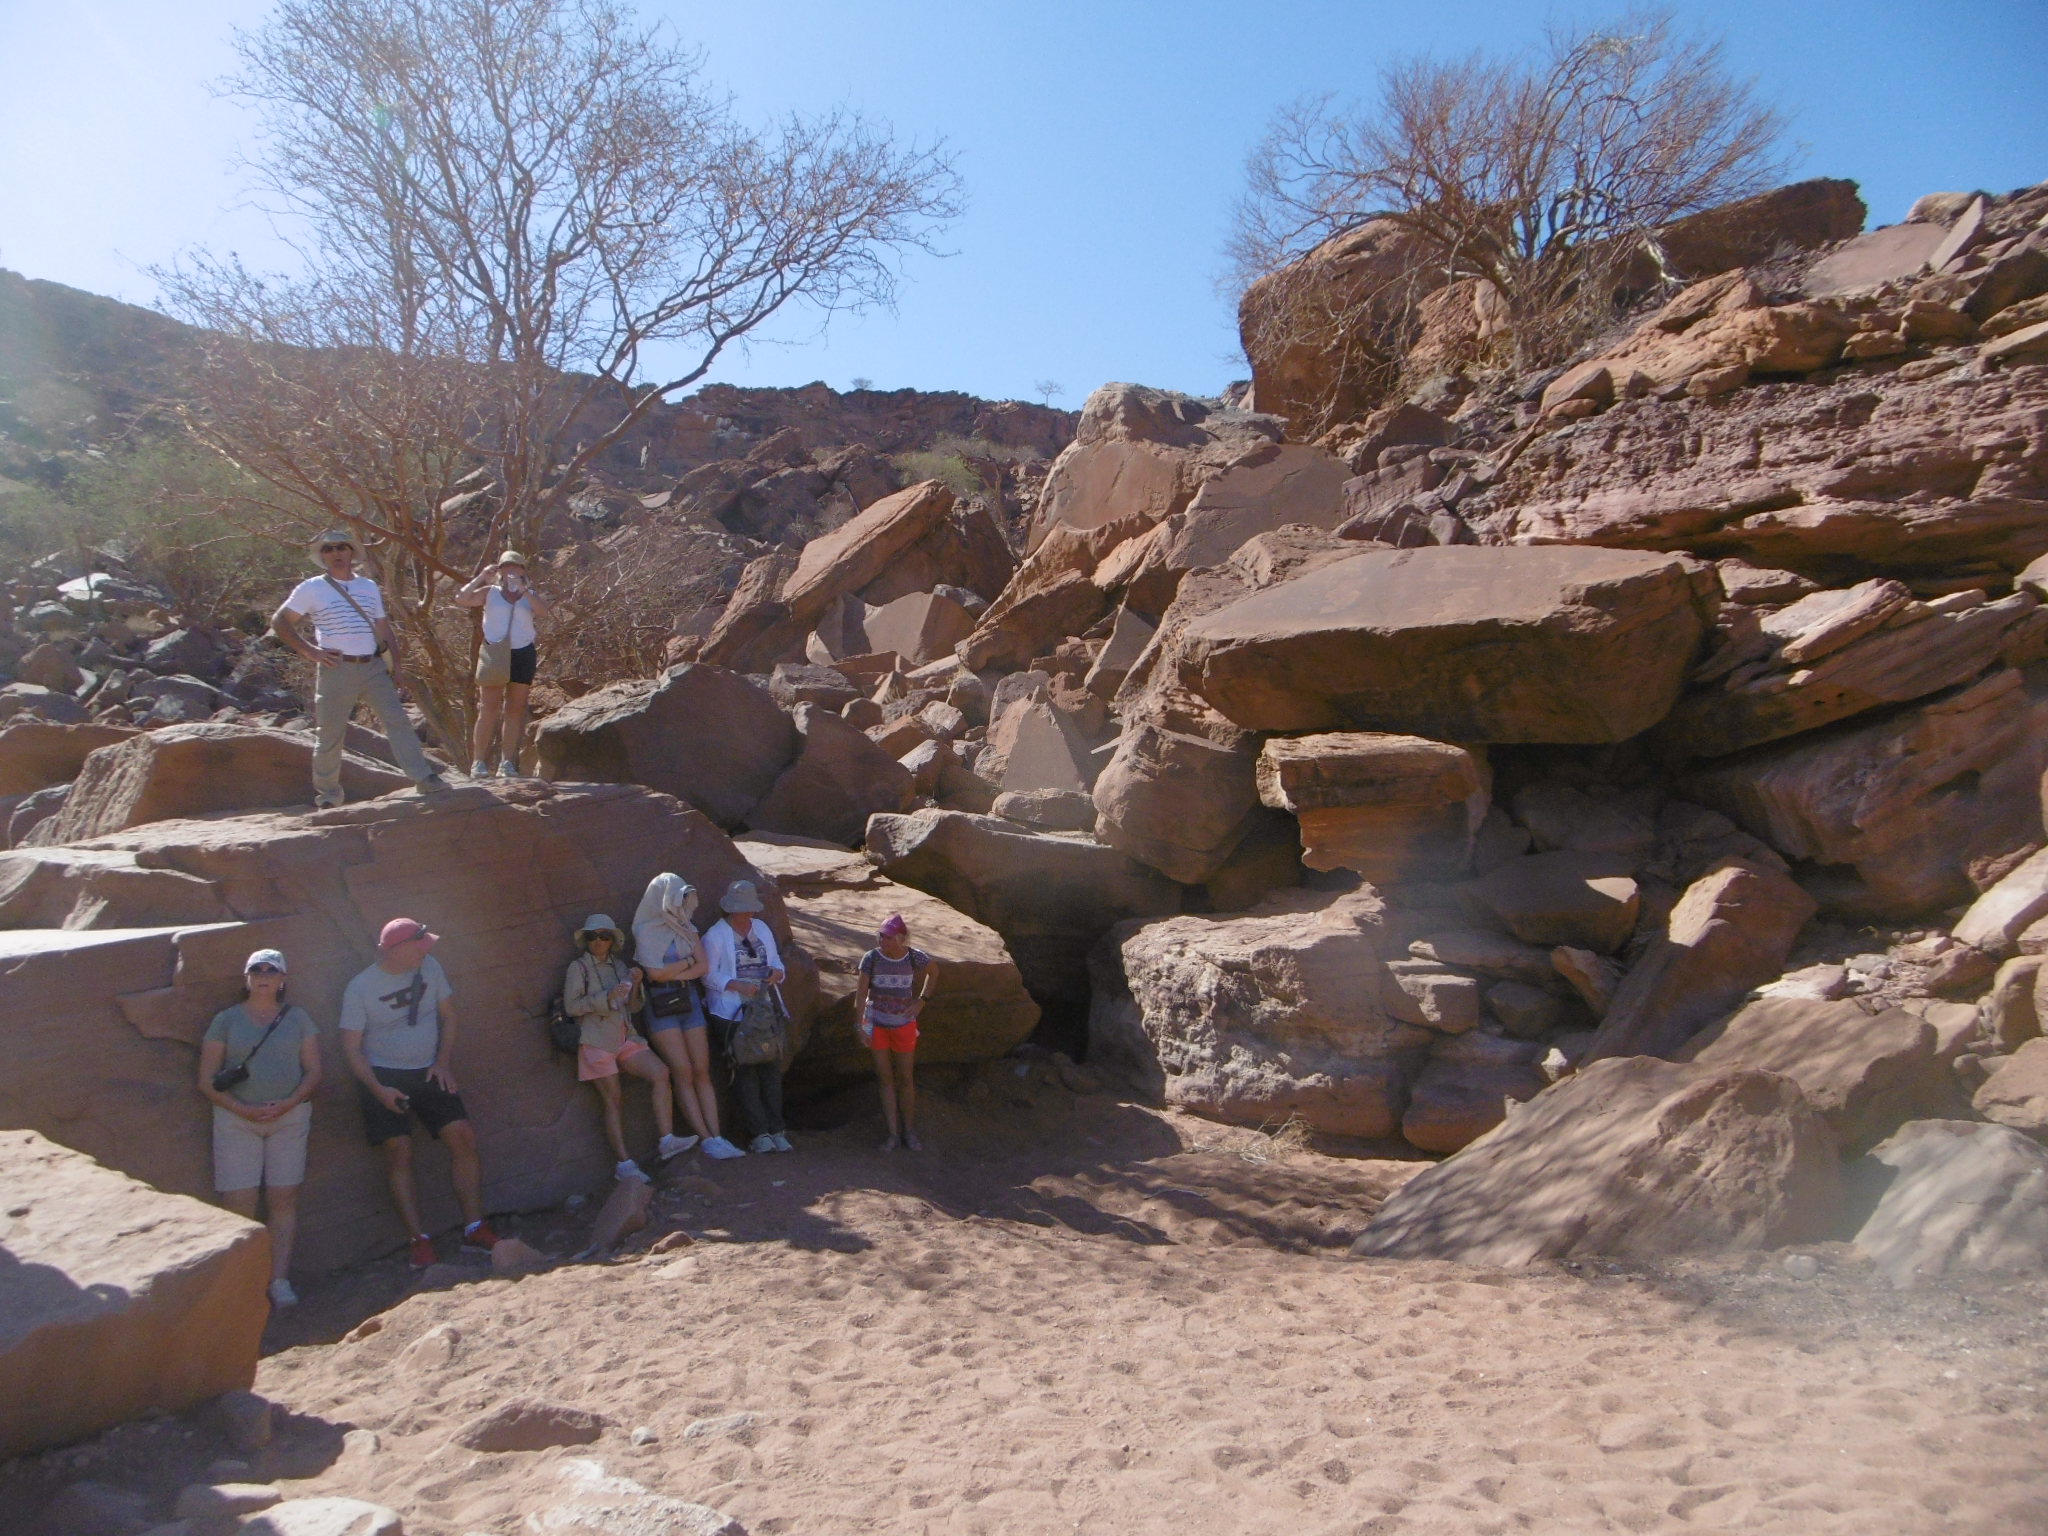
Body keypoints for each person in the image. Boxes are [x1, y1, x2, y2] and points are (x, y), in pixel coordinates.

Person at [339, 916, 499, 1267]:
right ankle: (418, 1240)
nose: (425, 952)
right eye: (418, 947)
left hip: (428, 1068)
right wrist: (378, 1089)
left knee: (462, 1136)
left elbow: (449, 1015)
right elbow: (351, 1047)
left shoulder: (431, 967)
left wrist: (443, 1062)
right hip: (383, 1074)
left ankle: (475, 1226)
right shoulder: (360, 987)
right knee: (398, 1150)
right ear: (396, 950)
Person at [272, 530, 451, 809]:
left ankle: (424, 778)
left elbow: (383, 628)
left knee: (397, 721)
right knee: (330, 734)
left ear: (351, 552)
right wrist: (311, 651)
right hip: (336, 669)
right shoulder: (311, 588)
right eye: (329, 549)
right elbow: (280, 621)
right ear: (322, 556)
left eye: (341, 547)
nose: (336, 553)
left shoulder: (368, 587)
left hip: (373, 666)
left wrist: (396, 666)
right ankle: (328, 796)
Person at [197, 948, 323, 1307]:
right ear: (247, 977)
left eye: (271, 971)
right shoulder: (226, 1020)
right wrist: (242, 1109)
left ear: (282, 979)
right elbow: (206, 1080)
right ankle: (241, 1283)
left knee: (283, 1197)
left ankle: (278, 1279)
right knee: (239, 1201)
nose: (263, 976)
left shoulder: (298, 1018)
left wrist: (289, 1103)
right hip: (237, 1119)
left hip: (288, 1118)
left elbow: (314, 1070)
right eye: (257, 970)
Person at [566, 913, 694, 1182]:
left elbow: (634, 1007)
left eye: (604, 936)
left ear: (612, 940)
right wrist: (606, 997)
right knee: (613, 1100)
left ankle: (667, 1140)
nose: (598, 941)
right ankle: (624, 1164)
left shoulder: (620, 966)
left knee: (661, 1073)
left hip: (625, 1037)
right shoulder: (578, 968)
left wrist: (635, 985)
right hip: (596, 1040)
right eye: (592, 936)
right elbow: (572, 1006)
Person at [632, 873, 743, 1161]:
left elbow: (702, 966)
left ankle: (717, 1136)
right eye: (678, 896)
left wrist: (674, 970)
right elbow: (653, 974)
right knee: (682, 1071)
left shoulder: (687, 927)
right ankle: (705, 1139)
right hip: (660, 1005)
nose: (682, 902)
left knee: (701, 1069)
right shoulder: (645, 929)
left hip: (688, 1000)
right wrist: (686, 962)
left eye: (684, 896)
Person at [702, 880, 791, 1154]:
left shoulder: (761, 928)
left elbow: (776, 963)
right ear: (731, 908)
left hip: (763, 1010)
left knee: (771, 1068)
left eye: (751, 908)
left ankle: (778, 1130)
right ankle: (758, 1133)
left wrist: (777, 973)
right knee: (746, 1071)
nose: (749, 913)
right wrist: (735, 985)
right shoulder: (715, 936)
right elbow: (707, 975)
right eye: (743, 908)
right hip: (732, 1013)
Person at [451, 550, 550, 778]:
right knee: (488, 708)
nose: (511, 571)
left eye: (516, 567)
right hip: (495, 653)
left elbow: (544, 612)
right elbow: (461, 599)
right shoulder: (490, 592)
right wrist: (480, 577)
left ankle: (506, 763)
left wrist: (525, 591)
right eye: (506, 567)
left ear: (523, 570)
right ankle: (478, 762)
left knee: (514, 709)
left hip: (522, 653)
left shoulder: (529, 595)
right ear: (500, 570)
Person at [854, 914, 936, 1152]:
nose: (883, 941)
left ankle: (909, 1131)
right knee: (885, 1078)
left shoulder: (913, 956)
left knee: (905, 1078)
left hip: (903, 1024)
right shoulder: (871, 958)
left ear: (901, 938)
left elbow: (934, 972)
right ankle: (893, 1134)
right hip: (877, 1023)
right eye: (881, 936)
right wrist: (860, 1026)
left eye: (888, 937)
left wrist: (922, 1000)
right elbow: (861, 994)